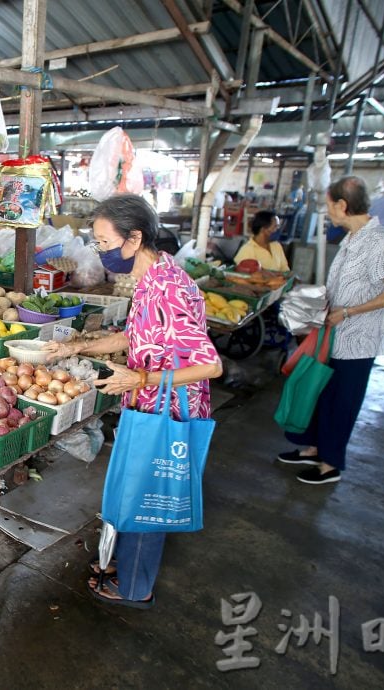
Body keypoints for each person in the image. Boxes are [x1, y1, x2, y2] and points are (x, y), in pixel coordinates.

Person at [42, 194, 223, 608]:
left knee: (148, 496)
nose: (101, 251)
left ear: (134, 238)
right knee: (134, 489)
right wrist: (79, 348)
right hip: (151, 402)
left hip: (170, 412)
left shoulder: (168, 290)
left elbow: (210, 365)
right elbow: (133, 336)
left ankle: (135, 587)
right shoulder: (153, 277)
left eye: (104, 243)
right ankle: (119, 559)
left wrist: (142, 377)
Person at [277, 177, 384, 484]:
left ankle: (331, 464)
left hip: (358, 341)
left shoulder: (377, 239)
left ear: (342, 204)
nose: (328, 212)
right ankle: (314, 448)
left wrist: (349, 311)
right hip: (334, 336)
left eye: (328, 206)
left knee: (343, 401)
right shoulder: (353, 237)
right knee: (321, 393)